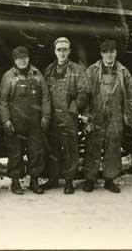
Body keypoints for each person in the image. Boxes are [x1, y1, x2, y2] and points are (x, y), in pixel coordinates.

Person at [82, 39, 132, 193]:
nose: (109, 55)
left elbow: (130, 97)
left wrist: (130, 119)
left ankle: (109, 179)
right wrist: (86, 116)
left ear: (116, 53)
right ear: (101, 54)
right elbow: (85, 95)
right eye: (106, 52)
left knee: (113, 147)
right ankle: (89, 179)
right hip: (96, 115)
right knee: (92, 146)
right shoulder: (92, 70)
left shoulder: (123, 72)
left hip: (115, 115)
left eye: (112, 52)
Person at [0, 46, 50, 195]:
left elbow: (46, 96)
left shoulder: (36, 74)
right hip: (16, 122)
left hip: (35, 121)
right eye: (19, 58)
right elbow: (3, 101)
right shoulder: (8, 76)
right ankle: (15, 182)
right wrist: (6, 120)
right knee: (15, 152)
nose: (22, 61)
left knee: (36, 151)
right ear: (14, 60)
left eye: (25, 58)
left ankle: (34, 180)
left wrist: (46, 116)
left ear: (29, 58)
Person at [42, 37, 89, 194]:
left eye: (65, 50)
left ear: (69, 51)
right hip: (53, 115)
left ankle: (69, 180)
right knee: (53, 148)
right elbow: (44, 93)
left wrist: (74, 107)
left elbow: (84, 91)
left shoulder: (76, 70)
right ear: (55, 51)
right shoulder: (49, 69)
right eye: (59, 50)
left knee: (70, 148)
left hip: (69, 116)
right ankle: (53, 178)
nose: (62, 53)